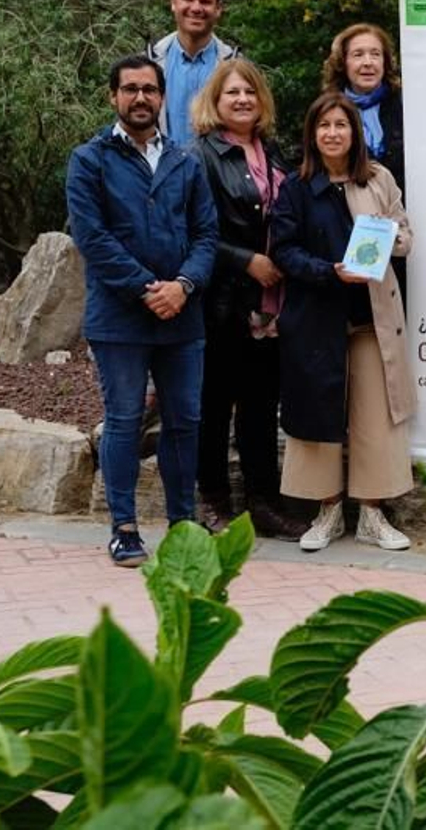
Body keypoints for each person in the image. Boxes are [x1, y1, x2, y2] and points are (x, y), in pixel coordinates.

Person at [65, 55, 217, 566]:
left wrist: (184, 285)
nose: (140, 98)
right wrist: (147, 288)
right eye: (130, 89)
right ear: (114, 97)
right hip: (120, 318)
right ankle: (124, 527)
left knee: (184, 421)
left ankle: (181, 525)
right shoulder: (90, 159)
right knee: (125, 420)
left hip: (183, 316)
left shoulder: (184, 160)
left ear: (161, 96)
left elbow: (206, 234)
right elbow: (92, 237)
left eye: (149, 89)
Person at [272, 91, 417, 552]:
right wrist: (327, 271)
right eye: (324, 126)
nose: (333, 133)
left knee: (378, 416)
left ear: (355, 132)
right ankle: (328, 511)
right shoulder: (296, 187)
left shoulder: (377, 179)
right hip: (318, 317)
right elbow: (284, 251)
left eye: (341, 125)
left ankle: (373, 514)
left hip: (373, 318)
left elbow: (406, 233)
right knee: (318, 413)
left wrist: (386, 237)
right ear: (312, 135)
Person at [188, 58, 309, 541]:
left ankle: (264, 503)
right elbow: (192, 232)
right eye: (231, 93)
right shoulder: (200, 156)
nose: (242, 100)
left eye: (250, 93)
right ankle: (213, 500)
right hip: (224, 301)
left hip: (271, 303)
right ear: (215, 102)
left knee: (261, 407)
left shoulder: (275, 153)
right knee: (214, 406)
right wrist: (245, 260)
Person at [149, 0, 239, 147]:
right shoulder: (149, 63)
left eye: (205, 1)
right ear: (174, 3)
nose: (196, 8)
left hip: (216, 173)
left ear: (218, 8)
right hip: (161, 171)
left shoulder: (236, 67)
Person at [322, 22, 406, 193]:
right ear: (343, 62)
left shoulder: (406, 105)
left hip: (402, 209)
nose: (368, 62)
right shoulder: (326, 109)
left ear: (385, 62)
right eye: (358, 55)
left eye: (375, 54)